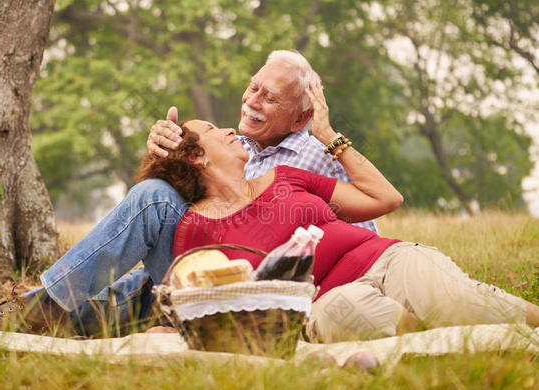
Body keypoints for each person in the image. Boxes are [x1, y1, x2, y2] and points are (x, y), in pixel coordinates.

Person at [0, 50, 378, 336]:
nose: (251, 101)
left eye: (270, 97)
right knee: (115, 294)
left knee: (154, 200)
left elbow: (362, 228)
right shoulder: (245, 152)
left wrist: (330, 136)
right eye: (252, 87)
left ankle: (40, 303)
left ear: (301, 117)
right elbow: (207, 210)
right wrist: (170, 157)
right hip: (199, 276)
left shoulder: (311, 152)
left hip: (254, 292)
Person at [135, 95, 539, 342]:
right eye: (211, 129)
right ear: (196, 156)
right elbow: (196, 300)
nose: (227, 129)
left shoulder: (285, 176)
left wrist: (328, 134)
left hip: (385, 261)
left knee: (458, 302)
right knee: (359, 315)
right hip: (322, 302)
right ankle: (438, 347)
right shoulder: (196, 227)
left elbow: (386, 197)